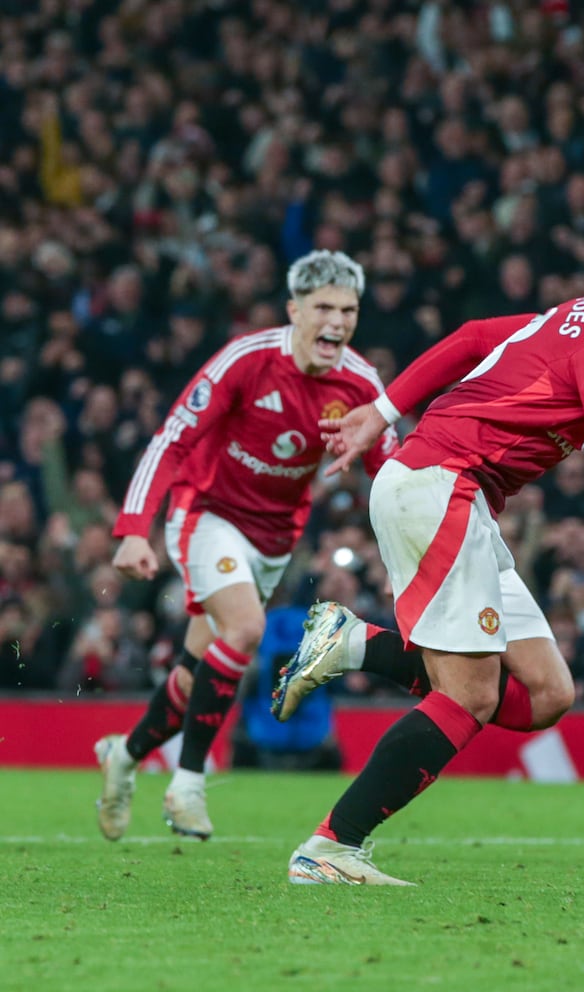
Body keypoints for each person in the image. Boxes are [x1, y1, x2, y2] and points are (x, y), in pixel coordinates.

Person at [274, 187, 584, 886]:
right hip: (441, 485)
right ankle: (330, 845)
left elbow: (477, 337)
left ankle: (355, 643)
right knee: (469, 695)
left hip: (457, 495)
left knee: (544, 693)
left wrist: (382, 411)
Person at [94, 251, 395, 842]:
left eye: (348, 310)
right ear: (294, 311)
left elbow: (389, 478)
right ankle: (188, 785)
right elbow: (171, 439)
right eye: (324, 309)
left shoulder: (360, 383)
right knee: (248, 630)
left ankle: (123, 759)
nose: (336, 322)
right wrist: (133, 528)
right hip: (204, 513)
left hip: (273, 540)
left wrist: (401, 559)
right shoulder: (247, 360)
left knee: (194, 672)